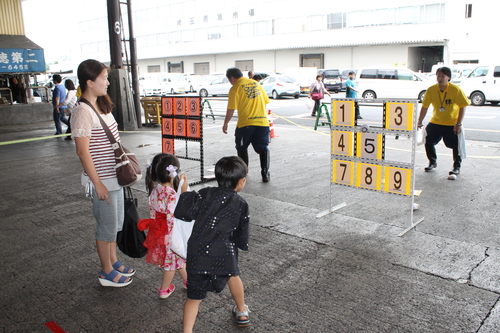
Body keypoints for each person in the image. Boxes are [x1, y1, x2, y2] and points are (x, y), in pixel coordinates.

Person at [71, 59, 134, 287]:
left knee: (115, 223)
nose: (107, 82)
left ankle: (113, 261)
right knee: (106, 225)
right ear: (89, 82)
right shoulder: (82, 110)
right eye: (104, 78)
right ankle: (106, 271)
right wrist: (97, 183)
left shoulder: (101, 104)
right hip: (102, 179)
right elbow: (82, 151)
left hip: (113, 176)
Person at [174, 156, 250, 332]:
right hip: (224, 254)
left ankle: (187, 331)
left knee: (193, 298)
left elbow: (184, 212)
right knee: (233, 276)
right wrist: (241, 243)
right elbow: (242, 234)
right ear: (242, 181)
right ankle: (241, 311)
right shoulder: (240, 204)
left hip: (197, 254)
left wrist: (185, 191)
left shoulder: (204, 194)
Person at [138, 153, 188, 299]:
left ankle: (188, 281)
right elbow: (174, 216)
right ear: (172, 175)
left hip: (158, 232)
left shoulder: (155, 190)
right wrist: (183, 191)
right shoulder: (171, 194)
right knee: (171, 264)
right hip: (170, 234)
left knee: (177, 259)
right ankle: (164, 289)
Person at [417, 66, 470, 179]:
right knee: (427, 140)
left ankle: (456, 167)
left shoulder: (455, 90)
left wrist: (458, 123)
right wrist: (420, 121)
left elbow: (463, 106)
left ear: (448, 77)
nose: (439, 78)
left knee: (456, 146)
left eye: (442, 76)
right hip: (436, 121)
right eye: (438, 76)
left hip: (452, 123)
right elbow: (425, 106)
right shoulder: (431, 90)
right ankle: (432, 161)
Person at [223, 67, 271, 182]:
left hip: (246, 124)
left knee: (241, 147)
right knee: (263, 148)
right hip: (263, 122)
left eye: (230, 80)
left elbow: (231, 109)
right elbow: (265, 102)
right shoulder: (256, 84)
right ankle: (265, 174)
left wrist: (225, 123)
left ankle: (243, 173)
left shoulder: (235, 88)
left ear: (232, 78)